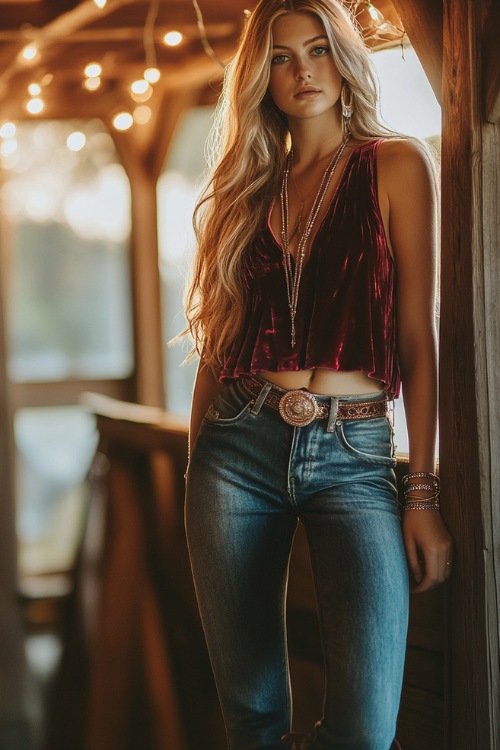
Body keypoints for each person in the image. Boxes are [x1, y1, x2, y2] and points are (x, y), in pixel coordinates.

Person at [183, 1, 453, 748]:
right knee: (254, 717)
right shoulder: (242, 193)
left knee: (365, 730)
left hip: (357, 455)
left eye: (317, 50)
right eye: (279, 56)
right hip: (234, 452)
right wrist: (195, 459)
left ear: (344, 59)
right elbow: (218, 342)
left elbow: (417, 338)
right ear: (259, 76)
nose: (302, 71)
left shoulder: (396, 164)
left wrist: (420, 491)